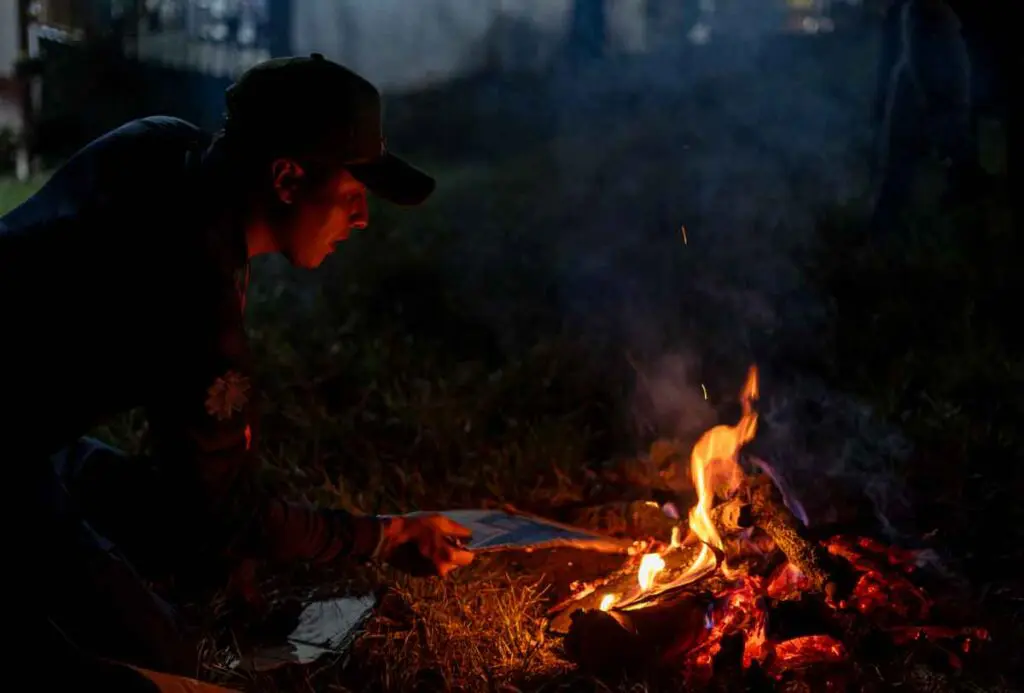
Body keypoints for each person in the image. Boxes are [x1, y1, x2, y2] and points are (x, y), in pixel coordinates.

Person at [0, 54, 474, 687]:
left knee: (158, 531)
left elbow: (201, 492)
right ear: (286, 178)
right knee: (162, 661)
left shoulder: (165, 144)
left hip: (36, 434)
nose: (362, 219)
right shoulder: (190, 283)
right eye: (353, 195)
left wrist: (221, 543)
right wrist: (381, 537)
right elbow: (226, 510)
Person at [869, 0, 986, 233]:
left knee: (948, 138)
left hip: (936, 37)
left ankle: (967, 206)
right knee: (905, 151)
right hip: (927, 34)